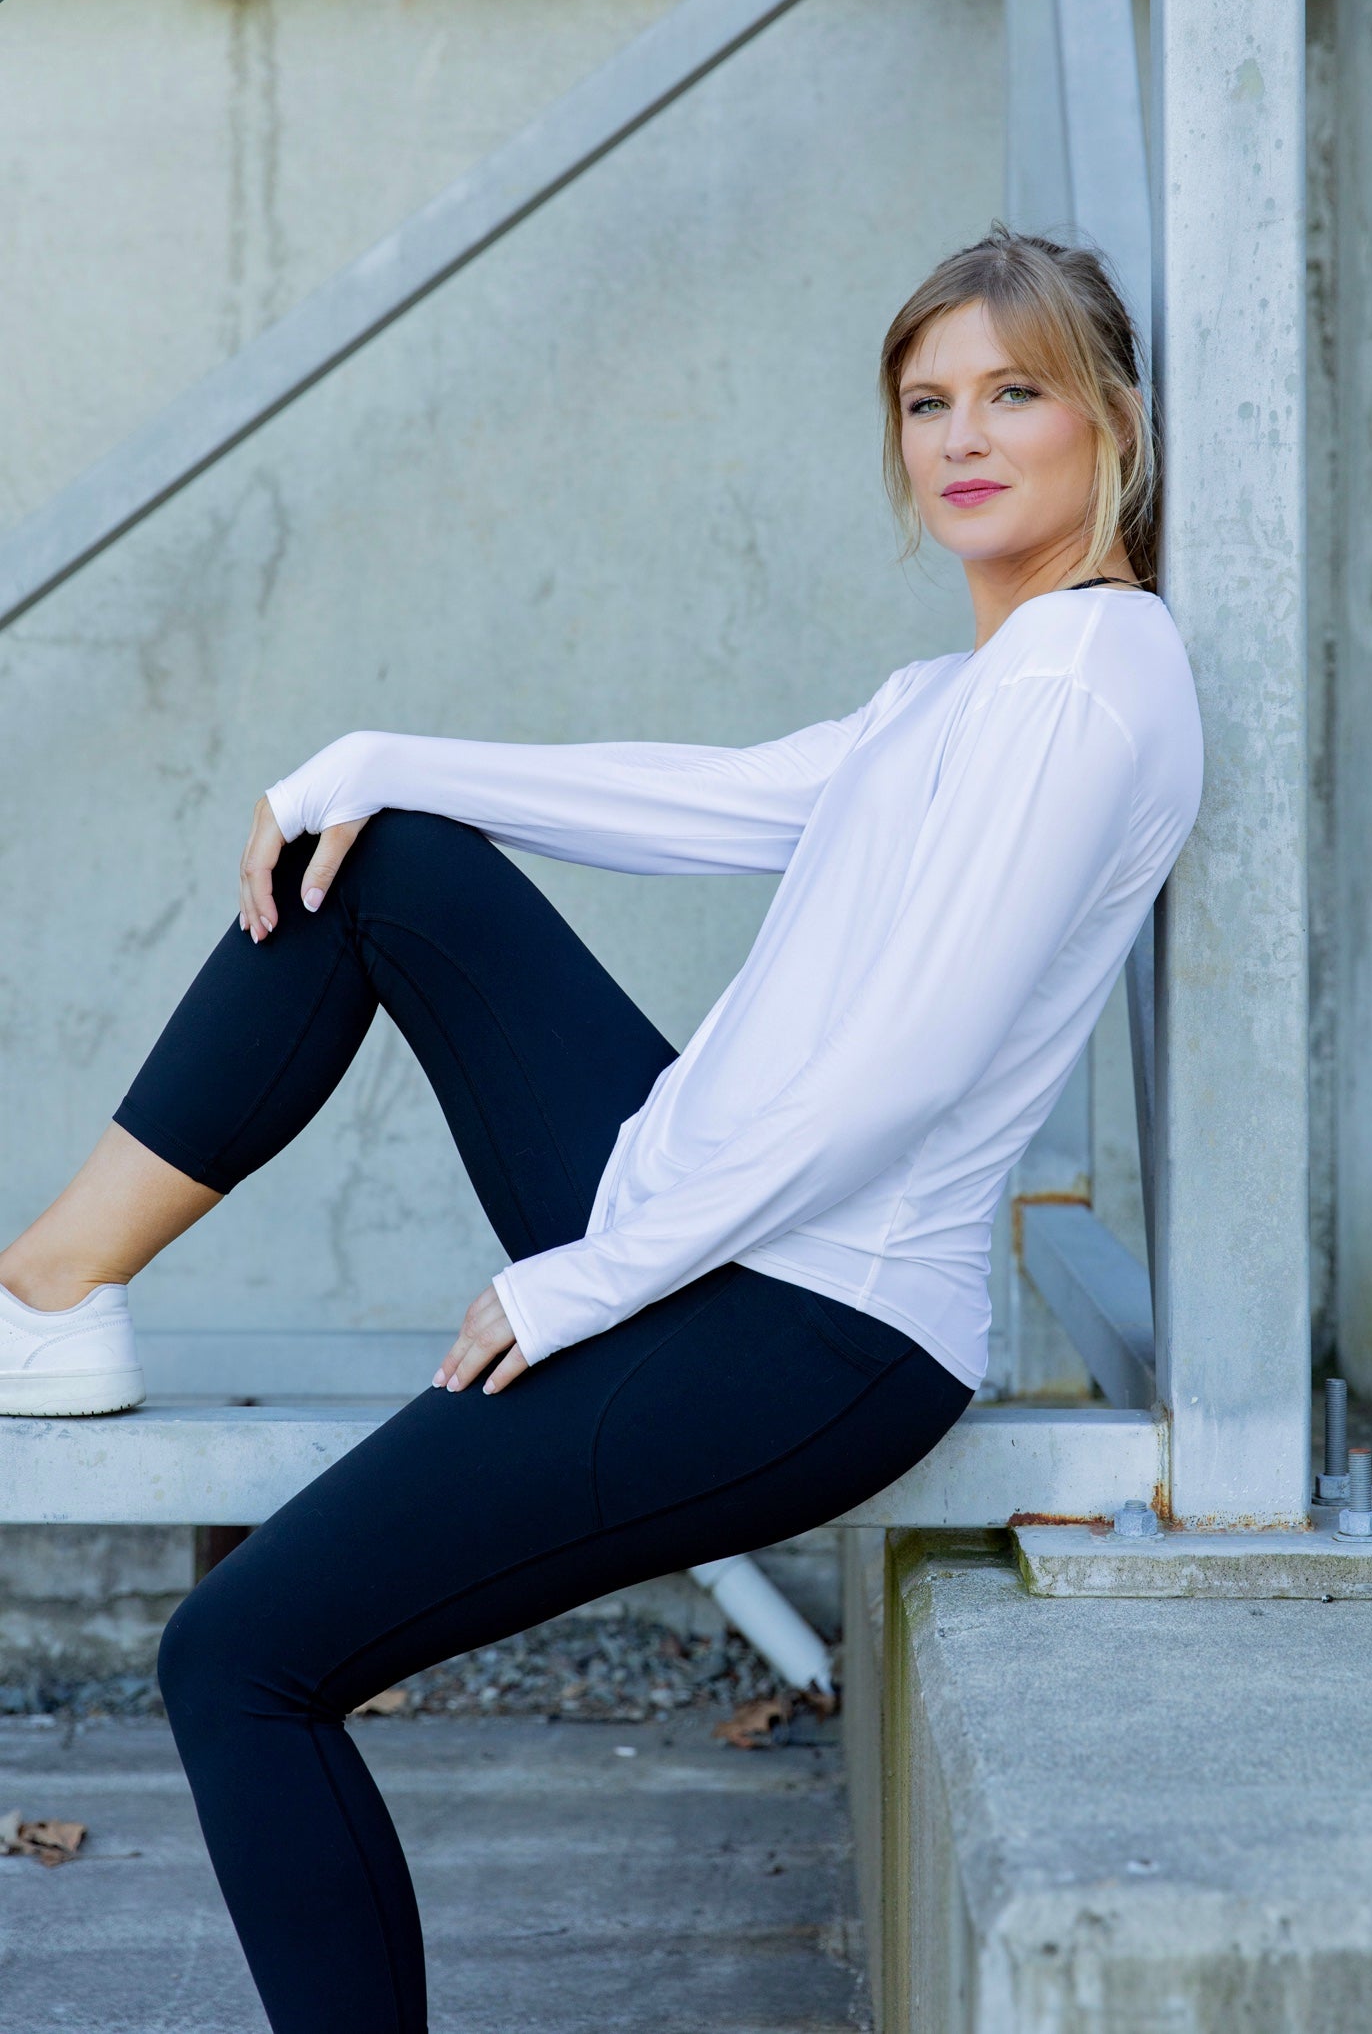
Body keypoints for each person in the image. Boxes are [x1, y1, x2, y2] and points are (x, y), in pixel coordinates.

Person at [0, 226, 1202, 2033]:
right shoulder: (968, 690)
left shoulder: (1083, 681)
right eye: (924, 401)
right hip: (714, 1234)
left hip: (810, 1327)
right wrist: (382, 757)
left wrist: (590, 1280)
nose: (960, 437)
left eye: (1011, 393)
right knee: (383, 858)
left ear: (1108, 418)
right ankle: (46, 1292)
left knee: (240, 1655)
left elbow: (909, 1069)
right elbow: (713, 800)